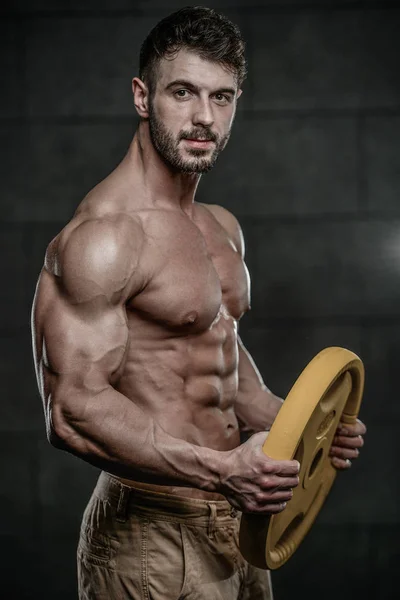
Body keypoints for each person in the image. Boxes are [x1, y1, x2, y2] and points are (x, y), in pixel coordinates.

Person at [31, 6, 366, 599]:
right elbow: (73, 411)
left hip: (239, 522)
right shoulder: (105, 237)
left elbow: (224, 374)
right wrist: (220, 469)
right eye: (182, 92)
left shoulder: (220, 228)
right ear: (142, 96)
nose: (204, 117)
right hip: (149, 535)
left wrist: (308, 426)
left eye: (223, 96)